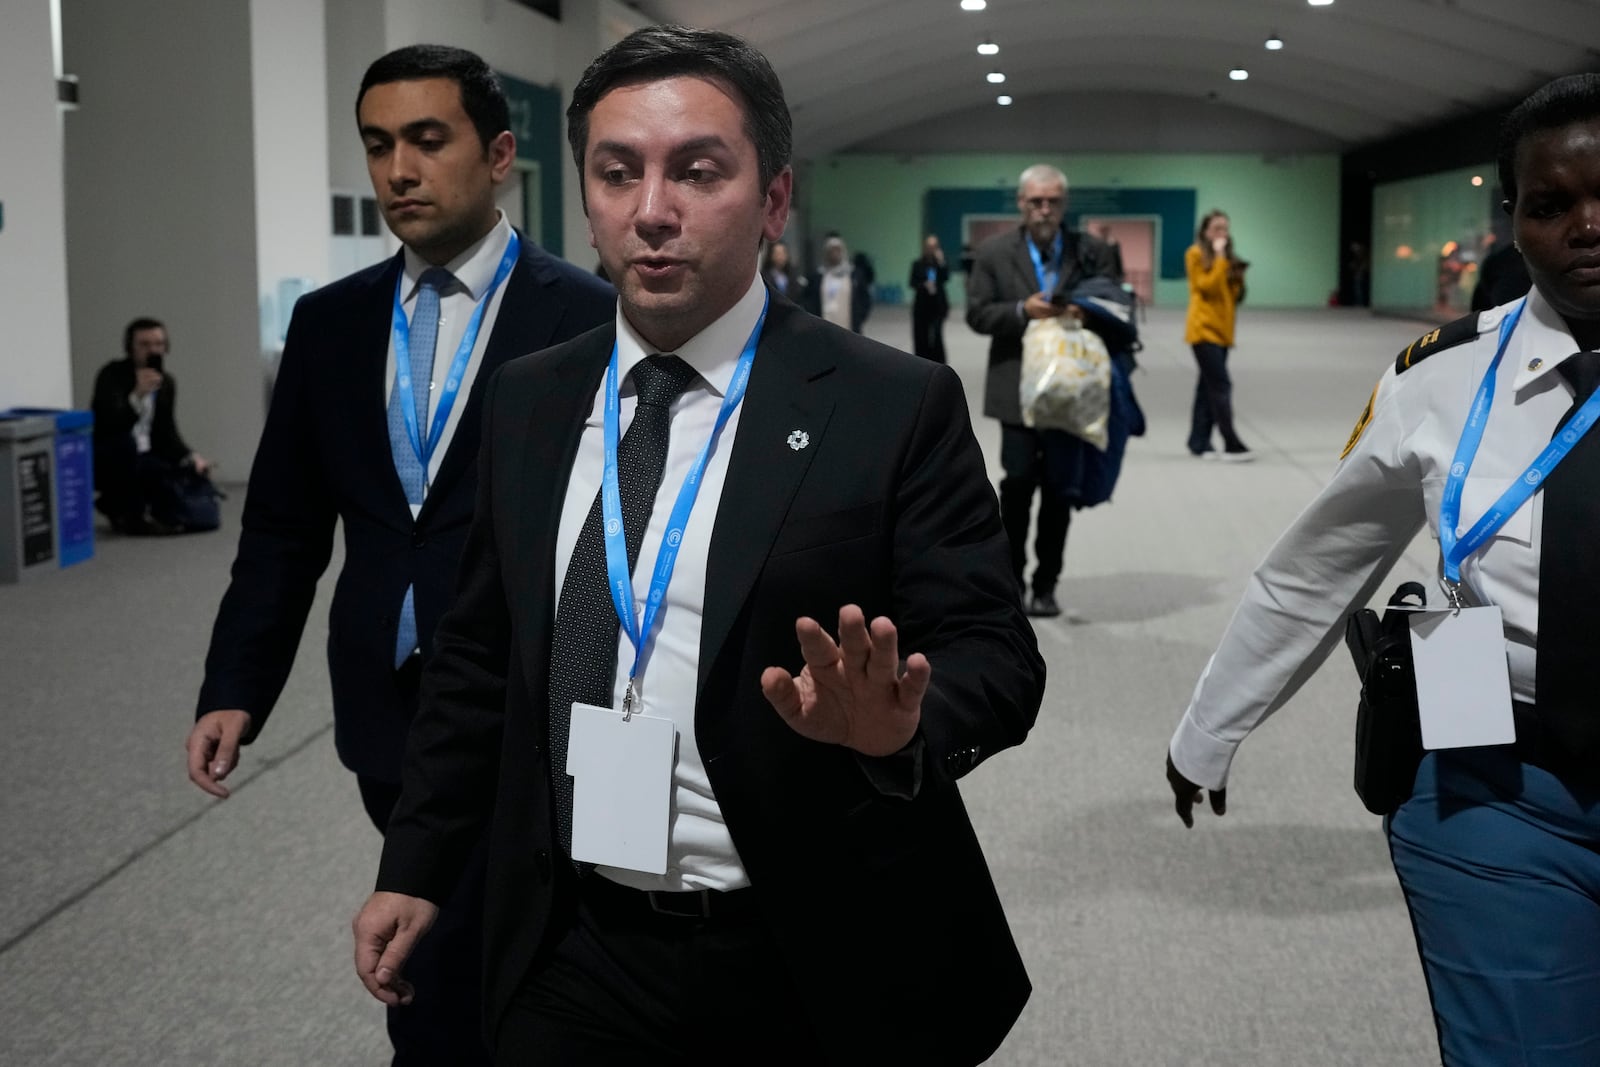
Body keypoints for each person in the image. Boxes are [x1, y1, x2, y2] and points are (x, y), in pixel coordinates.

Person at [353, 25, 1044, 1066]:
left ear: (772, 200)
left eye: (697, 171)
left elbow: (995, 652)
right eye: (617, 172)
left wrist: (895, 725)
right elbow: (477, 656)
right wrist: (414, 857)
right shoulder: (532, 400)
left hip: (805, 944)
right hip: (572, 937)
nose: (652, 211)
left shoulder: (889, 403)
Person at [183, 44, 613, 1064]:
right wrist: (236, 680)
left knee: (504, 936)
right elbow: (284, 526)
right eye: (379, 146)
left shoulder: (590, 321)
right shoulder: (328, 326)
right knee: (433, 925)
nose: (399, 171)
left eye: (428, 140)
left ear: (498, 152)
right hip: (387, 696)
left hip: (536, 697)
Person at [1165, 73, 1600, 1066]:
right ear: (1513, 222)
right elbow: (1311, 571)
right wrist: (1209, 729)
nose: (1586, 225)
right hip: (1501, 780)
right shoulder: (1436, 378)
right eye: (1552, 203)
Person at [966, 163, 1120, 617]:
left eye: (1052, 201)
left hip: (1072, 390)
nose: (1045, 209)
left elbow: (1117, 304)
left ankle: (1046, 584)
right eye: (1036, 201)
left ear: (1064, 204)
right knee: (1016, 488)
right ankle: (1010, 583)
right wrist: (1022, 310)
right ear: (1021, 203)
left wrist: (1086, 313)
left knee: (1059, 492)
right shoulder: (993, 252)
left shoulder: (1090, 250)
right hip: (1017, 390)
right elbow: (977, 314)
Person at [90, 318, 213, 535]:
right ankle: (130, 514)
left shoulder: (166, 383)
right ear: (131, 347)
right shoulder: (111, 375)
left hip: (146, 452)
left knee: (178, 471)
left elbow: (167, 432)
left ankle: (116, 503)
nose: (152, 350)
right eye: (144, 344)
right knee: (125, 446)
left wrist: (191, 456)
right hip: (111, 451)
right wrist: (137, 394)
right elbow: (109, 424)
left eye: (158, 344)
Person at [1184, 209, 1253, 461]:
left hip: (1222, 332)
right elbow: (1205, 287)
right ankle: (1230, 441)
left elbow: (1232, 297)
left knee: (1207, 387)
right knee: (1221, 385)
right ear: (1205, 231)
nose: (1222, 234)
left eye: (1225, 228)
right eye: (1216, 228)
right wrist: (1221, 258)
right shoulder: (1195, 254)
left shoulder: (1227, 260)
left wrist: (1237, 277)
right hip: (1203, 330)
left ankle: (1198, 441)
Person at [908, 233, 950, 361]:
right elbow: (912, 283)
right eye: (929, 246)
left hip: (937, 305)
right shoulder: (917, 264)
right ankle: (922, 361)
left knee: (937, 335)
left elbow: (946, 278)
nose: (931, 249)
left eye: (934, 246)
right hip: (922, 305)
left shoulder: (939, 264)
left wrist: (942, 262)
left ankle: (938, 362)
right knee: (921, 336)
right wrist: (924, 285)